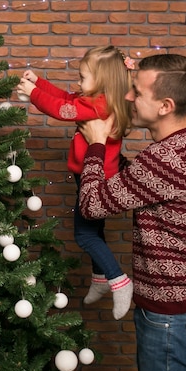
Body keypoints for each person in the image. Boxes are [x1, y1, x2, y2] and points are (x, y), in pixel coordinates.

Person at [77, 54, 186, 371]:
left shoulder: (165, 158)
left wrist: (97, 144)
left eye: (137, 93)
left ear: (165, 105)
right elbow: (139, 183)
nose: (128, 98)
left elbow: (92, 204)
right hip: (183, 310)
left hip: (173, 318)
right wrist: (114, 157)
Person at [17, 45, 134, 319]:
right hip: (91, 175)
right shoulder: (99, 100)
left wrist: (33, 94)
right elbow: (66, 98)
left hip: (98, 180)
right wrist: (40, 83)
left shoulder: (98, 105)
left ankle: (119, 281)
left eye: (83, 78)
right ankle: (100, 277)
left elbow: (62, 110)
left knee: (84, 235)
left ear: (103, 81)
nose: (78, 83)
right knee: (95, 232)